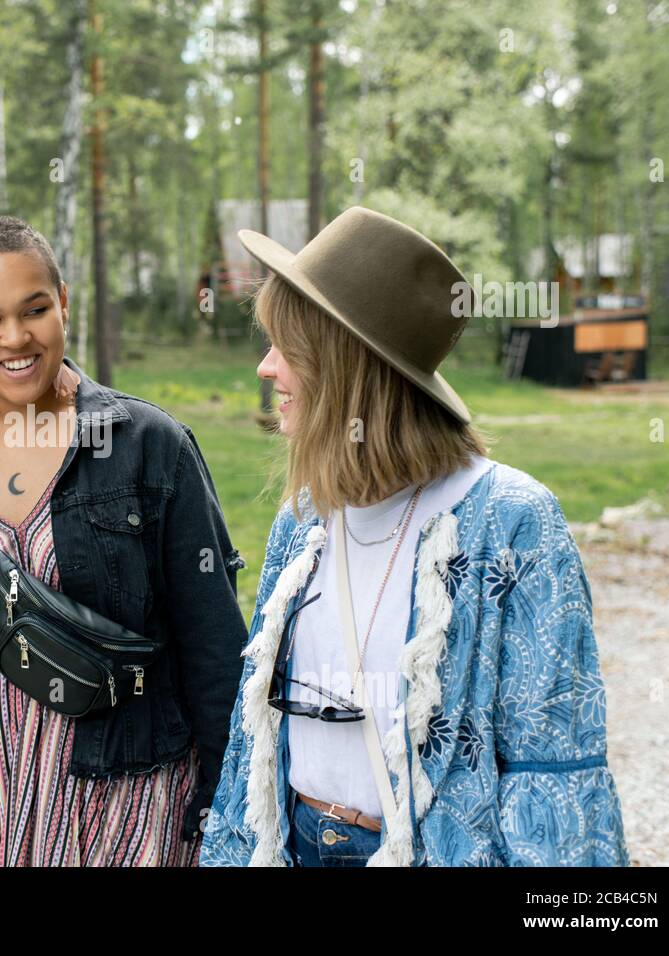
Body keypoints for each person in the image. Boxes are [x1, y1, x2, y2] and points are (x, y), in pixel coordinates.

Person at [200, 207, 628, 867]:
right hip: (296, 846)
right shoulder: (306, 518)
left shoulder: (511, 522)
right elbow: (251, 735)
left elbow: (556, 770)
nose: (265, 368)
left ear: (346, 366)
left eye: (287, 347)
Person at [0, 216, 248, 866]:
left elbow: (215, 647)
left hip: (133, 799)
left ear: (65, 303)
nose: (15, 337)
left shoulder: (149, 446)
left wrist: (229, 816)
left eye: (35, 310)